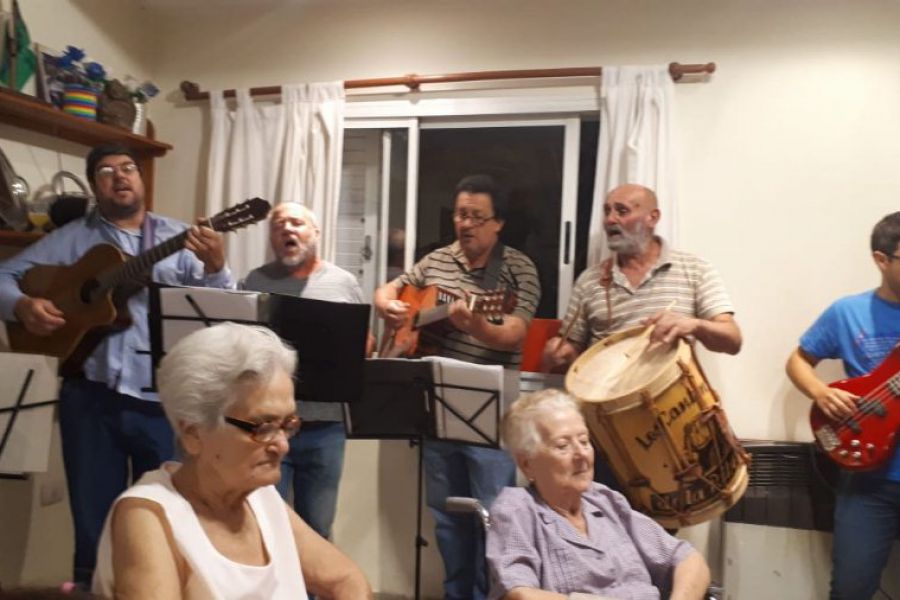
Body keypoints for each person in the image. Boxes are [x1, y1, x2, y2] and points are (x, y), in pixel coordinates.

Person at [0, 143, 234, 586]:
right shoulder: (72, 239)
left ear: (142, 180)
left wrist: (216, 267)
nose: (120, 176)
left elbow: (221, 310)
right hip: (90, 399)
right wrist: (24, 305)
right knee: (94, 523)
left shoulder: (179, 238)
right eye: (106, 171)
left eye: (128, 168)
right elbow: (2, 277)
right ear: (94, 186)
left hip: (163, 404)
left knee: (171, 517)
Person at [91, 322, 372, 599]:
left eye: (288, 423)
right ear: (194, 433)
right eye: (261, 427)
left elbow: (346, 580)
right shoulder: (147, 516)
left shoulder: (262, 498)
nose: (283, 445)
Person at [373, 174, 541, 600]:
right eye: (460, 215)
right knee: (446, 517)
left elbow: (514, 334)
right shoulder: (435, 261)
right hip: (436, 406)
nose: (464, 224)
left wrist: (477, 324)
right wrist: (390, 306)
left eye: (476, 217)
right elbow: (389, 289)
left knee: (495, 518)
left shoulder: (518, 268)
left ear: (498, 222)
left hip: (491, 415)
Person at [487, 388, 711, 600]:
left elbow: (688, 559)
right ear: (527, 464)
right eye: (563, 445)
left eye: (584, 441)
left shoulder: (605, 500)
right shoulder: (519, 509)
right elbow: (519, 594)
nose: (581, 454)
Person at [785, 212, 900, 600]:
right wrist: (820, 392)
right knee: (850, 590)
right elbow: (797, 361)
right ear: (881, 260)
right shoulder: (847, 312)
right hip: (868, 476)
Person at [241, 201, 369, 540]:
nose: (287, 229)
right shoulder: (254, 281)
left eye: (296, 223)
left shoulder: (343, 283)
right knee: (266, 526)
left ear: (315, 233)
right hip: (269, 427)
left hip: (325, 427)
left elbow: (363, 346)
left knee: (317, 530)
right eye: (279, 224)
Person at [542, 183, 741, 372]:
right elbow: (572, 350)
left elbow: (733, 341)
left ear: (652, 218)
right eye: (607, 211)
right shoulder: (589, 280)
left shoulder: (695, 269)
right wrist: (562, 354)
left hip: (673, 402)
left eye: (622, 211)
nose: (610, 219)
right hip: (606, 402)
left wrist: (695, 325)